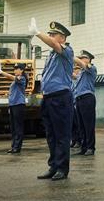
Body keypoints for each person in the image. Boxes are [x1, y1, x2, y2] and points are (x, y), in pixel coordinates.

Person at [29, 19, 74, 181]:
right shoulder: (52, 55)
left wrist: (37, 33)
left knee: (62, 134)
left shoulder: (67, 50)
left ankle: (62, 168)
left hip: (61, 97)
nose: (50, 37)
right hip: (48, 98)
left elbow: (54, 45)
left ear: (62, 37)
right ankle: (53, 166)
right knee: (51, 135)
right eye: (50, 34)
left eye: (53, 34)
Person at [0, 62, 28, 154]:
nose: (15, 70)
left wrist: (1, 72)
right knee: (13, 127)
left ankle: (17, 147)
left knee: (18, 127)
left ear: (21, 70)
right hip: (13, 105)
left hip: (19, 104)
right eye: (14, 69)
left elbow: (11, 77)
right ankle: (14, 146)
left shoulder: (22, 78)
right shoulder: (15, 81)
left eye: (16, 68)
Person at [73, 50, 97, 156]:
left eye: (82, 58)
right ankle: (84, 147)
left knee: (88, 125)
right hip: (79, 99)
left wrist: (69, 54)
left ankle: (90, 147)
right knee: (81, 125)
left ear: (87, 59)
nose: (79, 61)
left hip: (87, 98)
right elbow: (72, 75)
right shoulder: (81, 73)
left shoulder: (91, 69)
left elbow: (83, 64)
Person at [70, 66, 84, 149]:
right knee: (72, 125)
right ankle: (74, 140)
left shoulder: (80, 80)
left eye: (76, 70)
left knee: (78, 124)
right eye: (74, 69)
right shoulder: (71, 81)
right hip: (71, 104)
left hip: (77, 104)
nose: (75, 71)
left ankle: (79, 141)